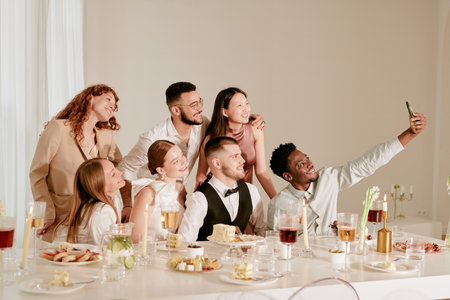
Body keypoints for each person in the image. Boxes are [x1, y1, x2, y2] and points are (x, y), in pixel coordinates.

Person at [267, 111, 427, 236]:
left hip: (333, 259)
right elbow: (274, 244)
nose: (310, 164)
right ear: (288, 176)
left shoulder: (328, 179)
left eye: (307, 158)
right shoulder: (279, 204)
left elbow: (368, 163)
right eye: (301, 164)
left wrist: (410, 134)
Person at [29, 84, 129, 241]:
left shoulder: (106, 136)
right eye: (108, 99)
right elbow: (37, 173)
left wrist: (127, 205)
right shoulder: (58, 129)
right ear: (90, 98)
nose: (112, 105)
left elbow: (123, 168)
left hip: (97, 220)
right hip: (63, 219)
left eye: (114, 105)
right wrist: (46, 212)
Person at [118, 82, 264, 185]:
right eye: (194, 105)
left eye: (199, 101)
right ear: (176, 110)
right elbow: (125, 168)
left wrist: (252, 119)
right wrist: (128, 204)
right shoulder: (152, 138)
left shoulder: (203, 125)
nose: (200, 108)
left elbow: (227, 123)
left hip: (179, 197)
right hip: (150, 198)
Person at [179, 136, 266, 243]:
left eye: (241, 155)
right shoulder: (199, 198)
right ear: (217, 163)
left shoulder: (251, 191)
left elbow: (262, 232)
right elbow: (184, 242)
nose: (243, 160)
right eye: (235, 156)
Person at [195, 87, 276, 200]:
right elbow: (201, 174)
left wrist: (276, 199)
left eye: (246, 104)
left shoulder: (255, 129)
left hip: (246, 195)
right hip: (219, 197)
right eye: (239, 105)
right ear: (225, 112)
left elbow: (261, 172)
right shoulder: (212, 139)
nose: (246, 109)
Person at [53, 158, 125, 245]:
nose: (120, 173)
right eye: (113, 174)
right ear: (98, 185)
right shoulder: (102, 212)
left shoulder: (115, 200)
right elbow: (108, 249)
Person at [129, 140, 188, 243]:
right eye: (176, 161)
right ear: (161, 170)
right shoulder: (148, 193)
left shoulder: (180, 189)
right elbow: (133, 238)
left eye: (182, 155)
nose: (184, 162)